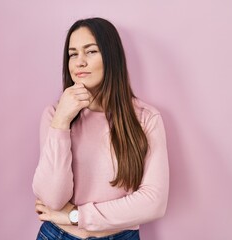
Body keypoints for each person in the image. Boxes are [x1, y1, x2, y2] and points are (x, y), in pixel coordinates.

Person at [32, 17, 169, 240]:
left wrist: (77, 215)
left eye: (91, 51)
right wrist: (61, 123)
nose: (79, 62)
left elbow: (153, 202)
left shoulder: (146, 119)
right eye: (73, 54)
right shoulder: (54, 115)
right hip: (57, 235)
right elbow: (53, 199)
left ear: (111, 57)